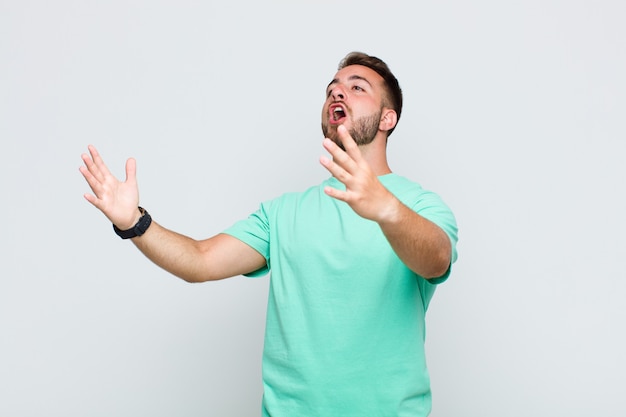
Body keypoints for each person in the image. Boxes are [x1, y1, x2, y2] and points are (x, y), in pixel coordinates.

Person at [80, 51, 458, 417]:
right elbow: (200, 260)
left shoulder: (420, 205)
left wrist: (385, 206)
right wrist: (134, 222)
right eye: (332, 89)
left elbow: (436, 258)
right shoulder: (283, 213)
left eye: (357, 87)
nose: (337, 93)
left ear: (387, 118)